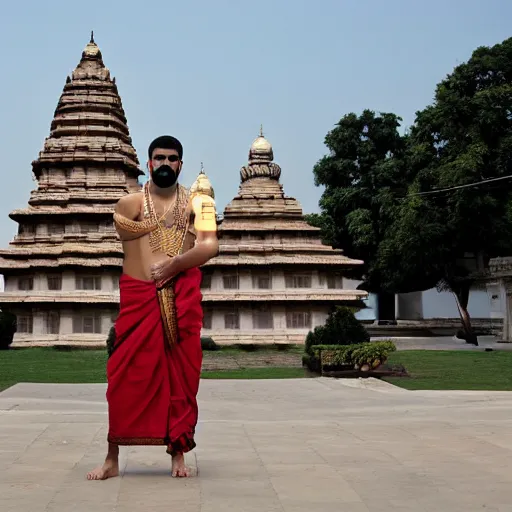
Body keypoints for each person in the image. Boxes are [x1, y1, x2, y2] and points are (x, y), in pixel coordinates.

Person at [87, 135, 219, 480]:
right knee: (120, 378)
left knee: (182, 378)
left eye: (172, 158)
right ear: (148, 164)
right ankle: (111, 458)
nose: (165, 163)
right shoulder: (130, 203)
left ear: (180, 164)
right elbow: (123, 229)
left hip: (182, 298)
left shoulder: (201, 204)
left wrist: (174, 265)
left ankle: (178, 452)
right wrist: (153, 227)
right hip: (138, 298)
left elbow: (209, 246)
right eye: (158, 158)